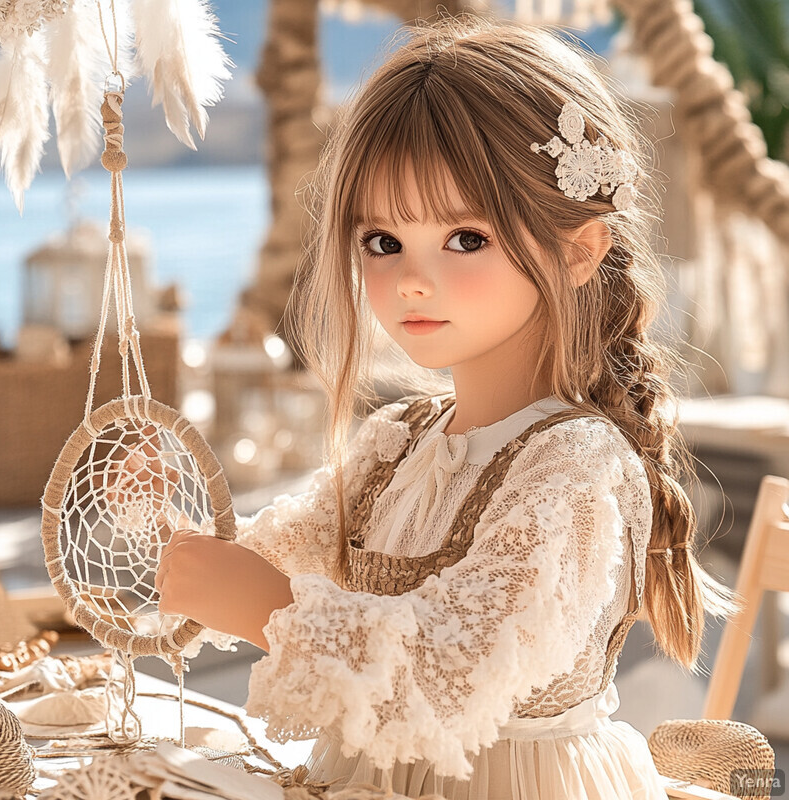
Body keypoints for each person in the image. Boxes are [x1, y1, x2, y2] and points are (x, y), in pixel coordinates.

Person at [154, 13, 740, 799]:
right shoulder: (395, 443)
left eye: (464, 239)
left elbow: (444, 676)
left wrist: (261, 607)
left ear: (577, 250)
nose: (411, 281)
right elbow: (265, 557)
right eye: (382, 242)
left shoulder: (577, 470)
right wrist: (164, 527)